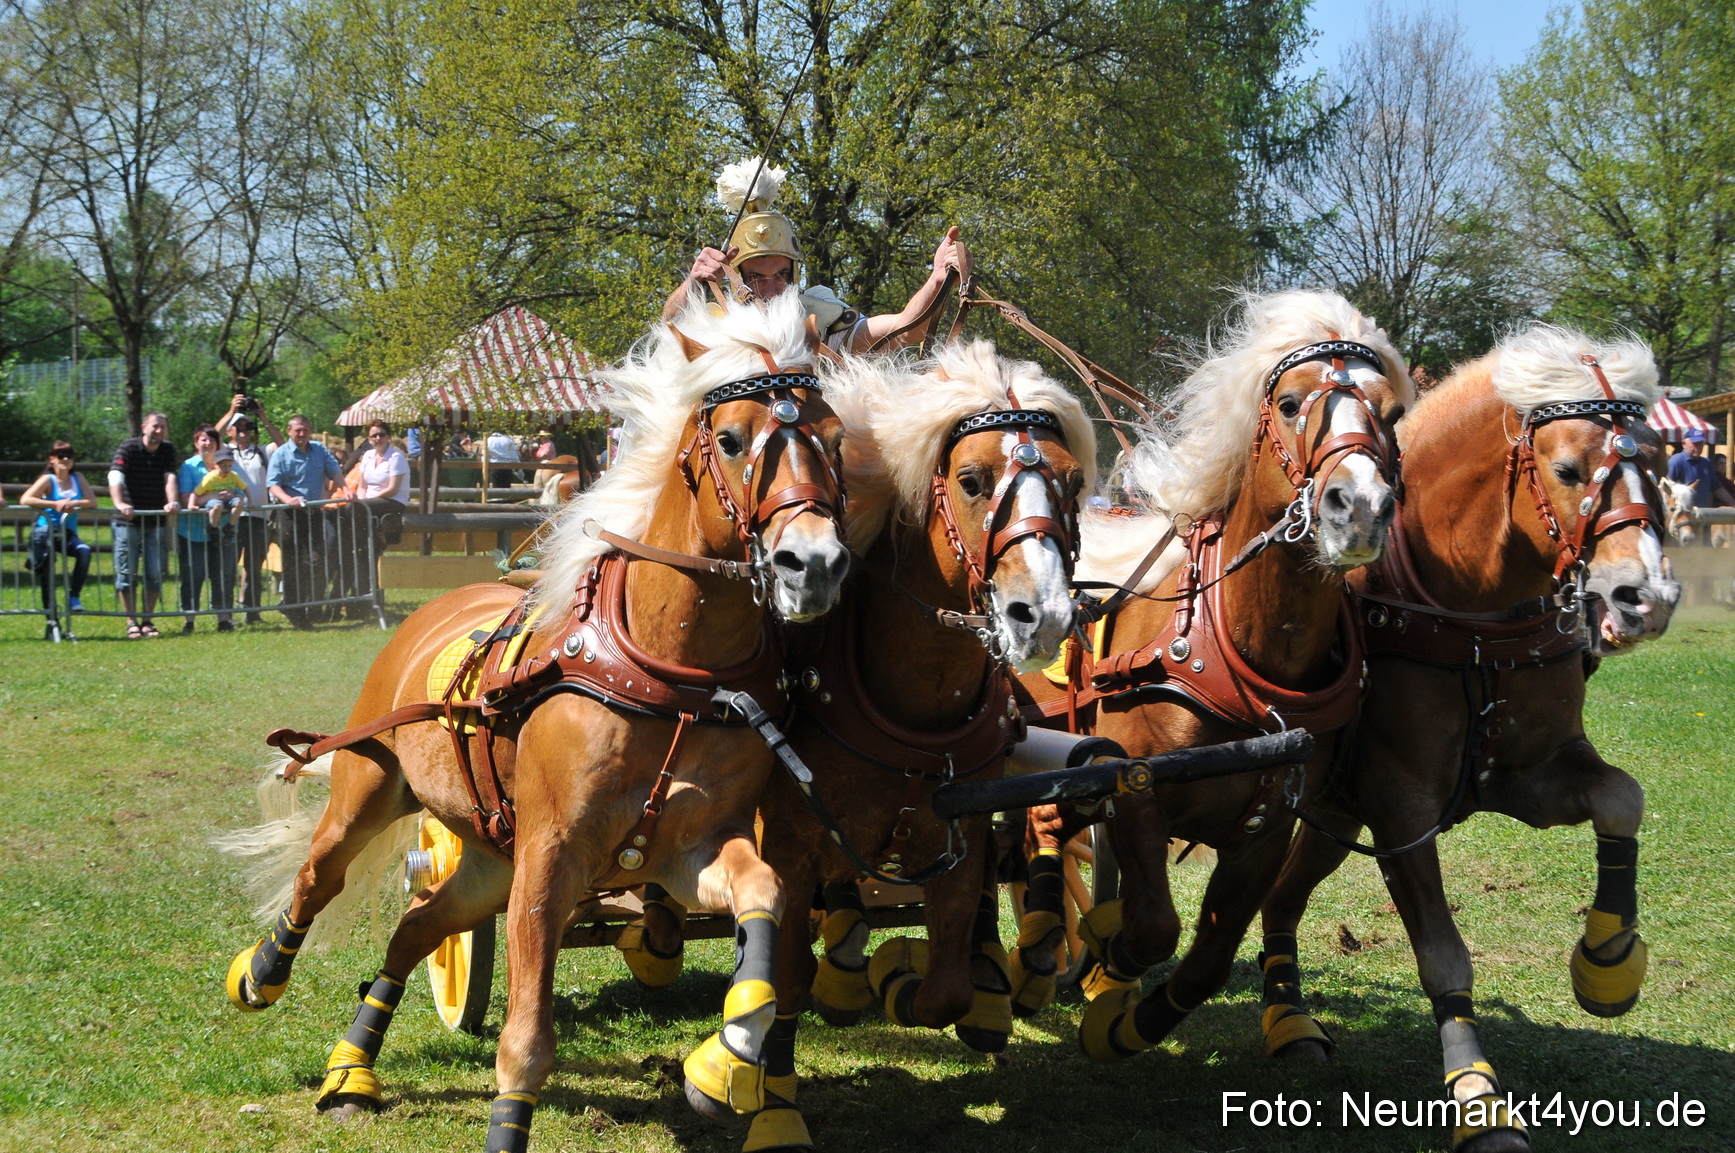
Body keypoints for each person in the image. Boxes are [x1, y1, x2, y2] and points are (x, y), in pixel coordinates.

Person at [661, 157, 970, 353]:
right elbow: (669, 326)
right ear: (736, 276)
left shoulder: (821, 320)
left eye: (781, 275)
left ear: (794, 274)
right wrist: (694, 282)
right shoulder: (716, 322)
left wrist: (937, 278)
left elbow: (906, 329)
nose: (770, 289)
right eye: (756, 277)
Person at [109, 412, 181, 639]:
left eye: (163, 427)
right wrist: (119, 503)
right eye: (155, 426)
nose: (159, 431)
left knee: (154, 573)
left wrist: (172, 501)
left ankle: (148, 621)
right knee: (126, 572)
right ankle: (131, 622)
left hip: (155, 521)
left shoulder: (168, 449)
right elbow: (115, 475)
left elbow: (169, 477)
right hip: (126, 522)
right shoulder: (128, 447)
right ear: (144, 427)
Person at [267, 415, 343, 628]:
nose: (301, 434)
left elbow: (334, 470)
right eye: (297, 430)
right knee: (293, 563)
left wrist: (344, 488)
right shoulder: (280, 454)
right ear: (289, 431)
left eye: (305, 430)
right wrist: (288, 500)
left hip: (314, 512)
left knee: (316, 560)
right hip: (290, 515)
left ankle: (298, 605)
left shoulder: (319, 450)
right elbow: (273, 485)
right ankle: (295, 610)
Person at [21, 442, 97, 633]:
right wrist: (55, 504)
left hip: (67, 533)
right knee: (47, 576)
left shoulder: (78, 477)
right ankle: (52, 621)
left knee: (84, 551)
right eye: (61, 456)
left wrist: (74, 503)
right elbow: (26, 499)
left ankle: (74, 597)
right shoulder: (48, 479)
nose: (65, 460)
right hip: (46, 532)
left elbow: (92, 501)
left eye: (69, 456)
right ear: (52, 459)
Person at [176, 425, 237, 633]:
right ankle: (189, 620)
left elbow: (236, 491)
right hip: (193, 533)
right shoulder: (189, 467)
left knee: (223, 574)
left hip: (221, 531)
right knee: (194, 575)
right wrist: (212, 497)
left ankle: (224, 619)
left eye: (212, 440)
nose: (207, 443)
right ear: (196, 443)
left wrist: (230, 497)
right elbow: (186, 499)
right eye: (203, 439)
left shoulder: (227, 467)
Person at [223, 414, 276, 624]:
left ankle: (252, 611)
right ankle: (225, 614)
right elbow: (210, 437)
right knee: (229, 565)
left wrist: (263, 416)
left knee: (255, 567)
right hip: (235, 516)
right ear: (229, 431)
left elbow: (282, 443)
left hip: (259, 516)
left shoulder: (261, 452)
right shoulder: (224, 452)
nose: (243, 430)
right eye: (237, 426)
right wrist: (230, 411)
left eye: (247, 426)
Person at [196, 447, 250, 528]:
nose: (227, 469)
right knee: (217, 505)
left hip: (229, 500)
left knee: (239, 503)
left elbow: (245, 488)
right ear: (216, 465)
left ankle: (230, 526)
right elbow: (195, 493)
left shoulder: (233, 475)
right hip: (214, 501)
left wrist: (251, 501)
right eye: (223, 465)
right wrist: (191, 505)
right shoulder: (210, 478)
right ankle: (213, 527)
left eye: (229, 465)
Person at [1667, 427, 1718, 509]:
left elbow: (1718, 488)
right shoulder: (1676, 461)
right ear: (1684, 444)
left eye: (1700, 444)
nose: (1698, 447)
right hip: (1683, 513)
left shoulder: (1706, 463)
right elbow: (1668, 488)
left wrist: (1732, 502)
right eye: (1695, 444)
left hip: (1703, 513)